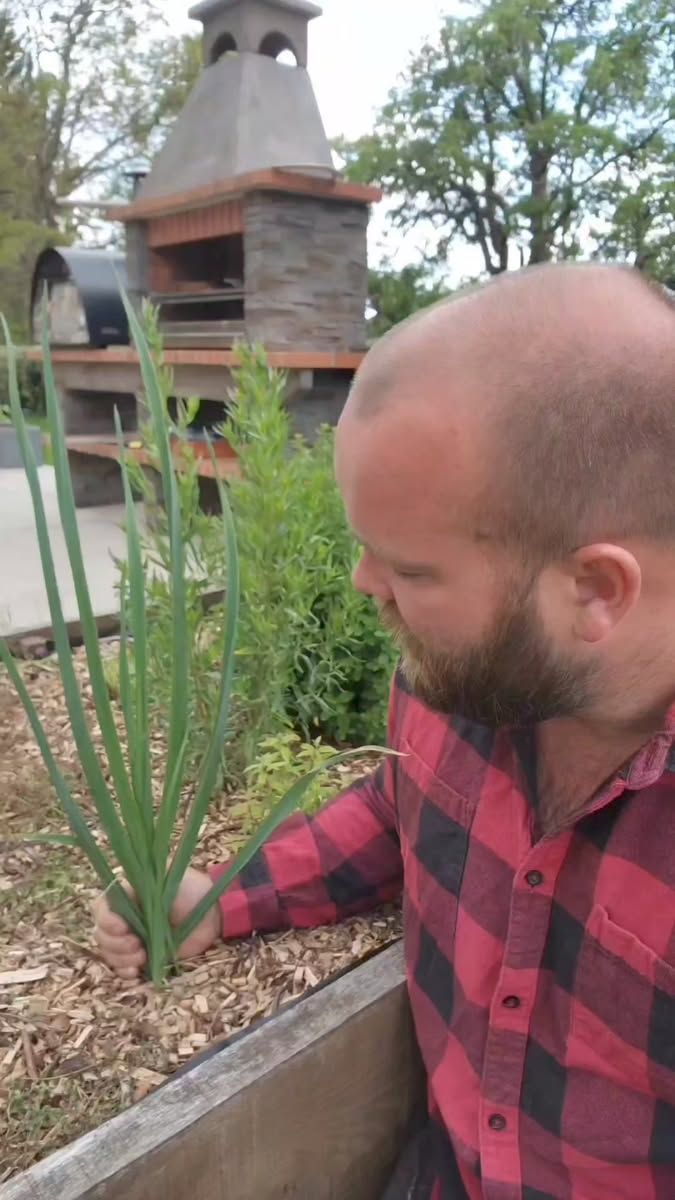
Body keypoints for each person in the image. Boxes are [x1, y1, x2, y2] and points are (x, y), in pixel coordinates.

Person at [94, 262, 675, 1199]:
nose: (366, 584)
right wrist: (218, 900)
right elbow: (402, 804)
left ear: (595, 590)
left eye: (410, 566)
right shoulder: (474, 683)